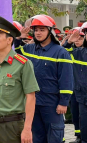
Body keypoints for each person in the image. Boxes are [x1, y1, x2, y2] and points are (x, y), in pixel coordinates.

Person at [15, 15, 73, 143]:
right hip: (33, 102)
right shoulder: (29, 49)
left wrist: (63, 102)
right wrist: (19, 38)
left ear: (50, 31)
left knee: (54, 136)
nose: (38, 33)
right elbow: (15, 53)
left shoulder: (61, 52)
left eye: (42, 30)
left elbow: (66, 79)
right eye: (36, 30)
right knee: (36, 137)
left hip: (52, 103)